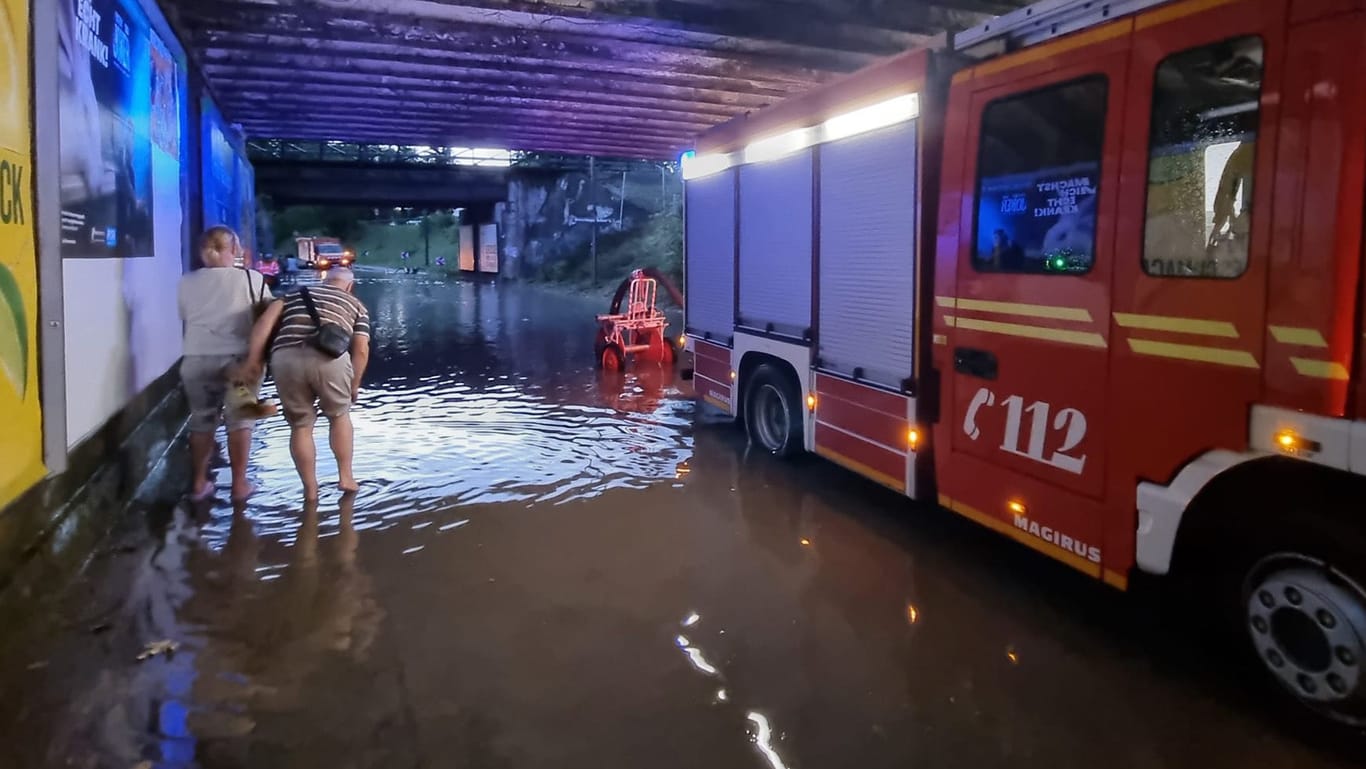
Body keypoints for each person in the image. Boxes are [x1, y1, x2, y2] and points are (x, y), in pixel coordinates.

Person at [241, 268, 371, 499]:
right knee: (339, 415)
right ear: (350, 286)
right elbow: (361, 349)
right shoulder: (356, 304)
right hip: (329, 359)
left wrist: (253, 360)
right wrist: (354, 384)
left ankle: (310, 491)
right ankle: (346, 478)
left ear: (324, 281)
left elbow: (264, 323)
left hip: (285, 357)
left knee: (300, 425)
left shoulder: (293, 294)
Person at [177, 225, 267, 501]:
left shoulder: (185, 282)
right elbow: (266, 317)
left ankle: (199, 483)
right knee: (241, 420)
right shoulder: (252, 279)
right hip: (238, 364)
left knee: (202, 421)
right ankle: (239, 485)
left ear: (203, 252)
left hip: (196, 360)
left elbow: (184, 316)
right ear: (234, 250)